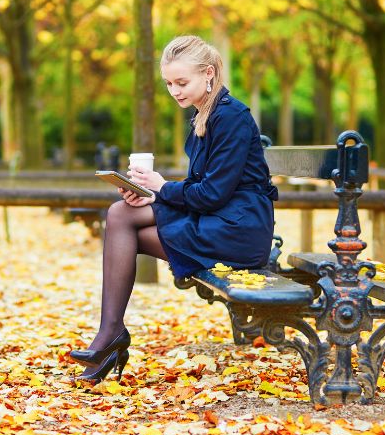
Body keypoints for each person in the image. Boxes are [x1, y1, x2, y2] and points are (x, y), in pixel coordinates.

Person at [69, 35, 278, 383]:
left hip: (239, 230)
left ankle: (111, 336)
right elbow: (204, 189)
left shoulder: (232, 117)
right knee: (120, 212)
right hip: (219, 218)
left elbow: (212, 193)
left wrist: (162, 187)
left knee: (123, 220)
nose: (175, 90)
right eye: (169, 83)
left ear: (208, 73)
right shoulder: (206, 114)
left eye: (182, 82)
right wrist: (153, 196)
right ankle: (110, 332)